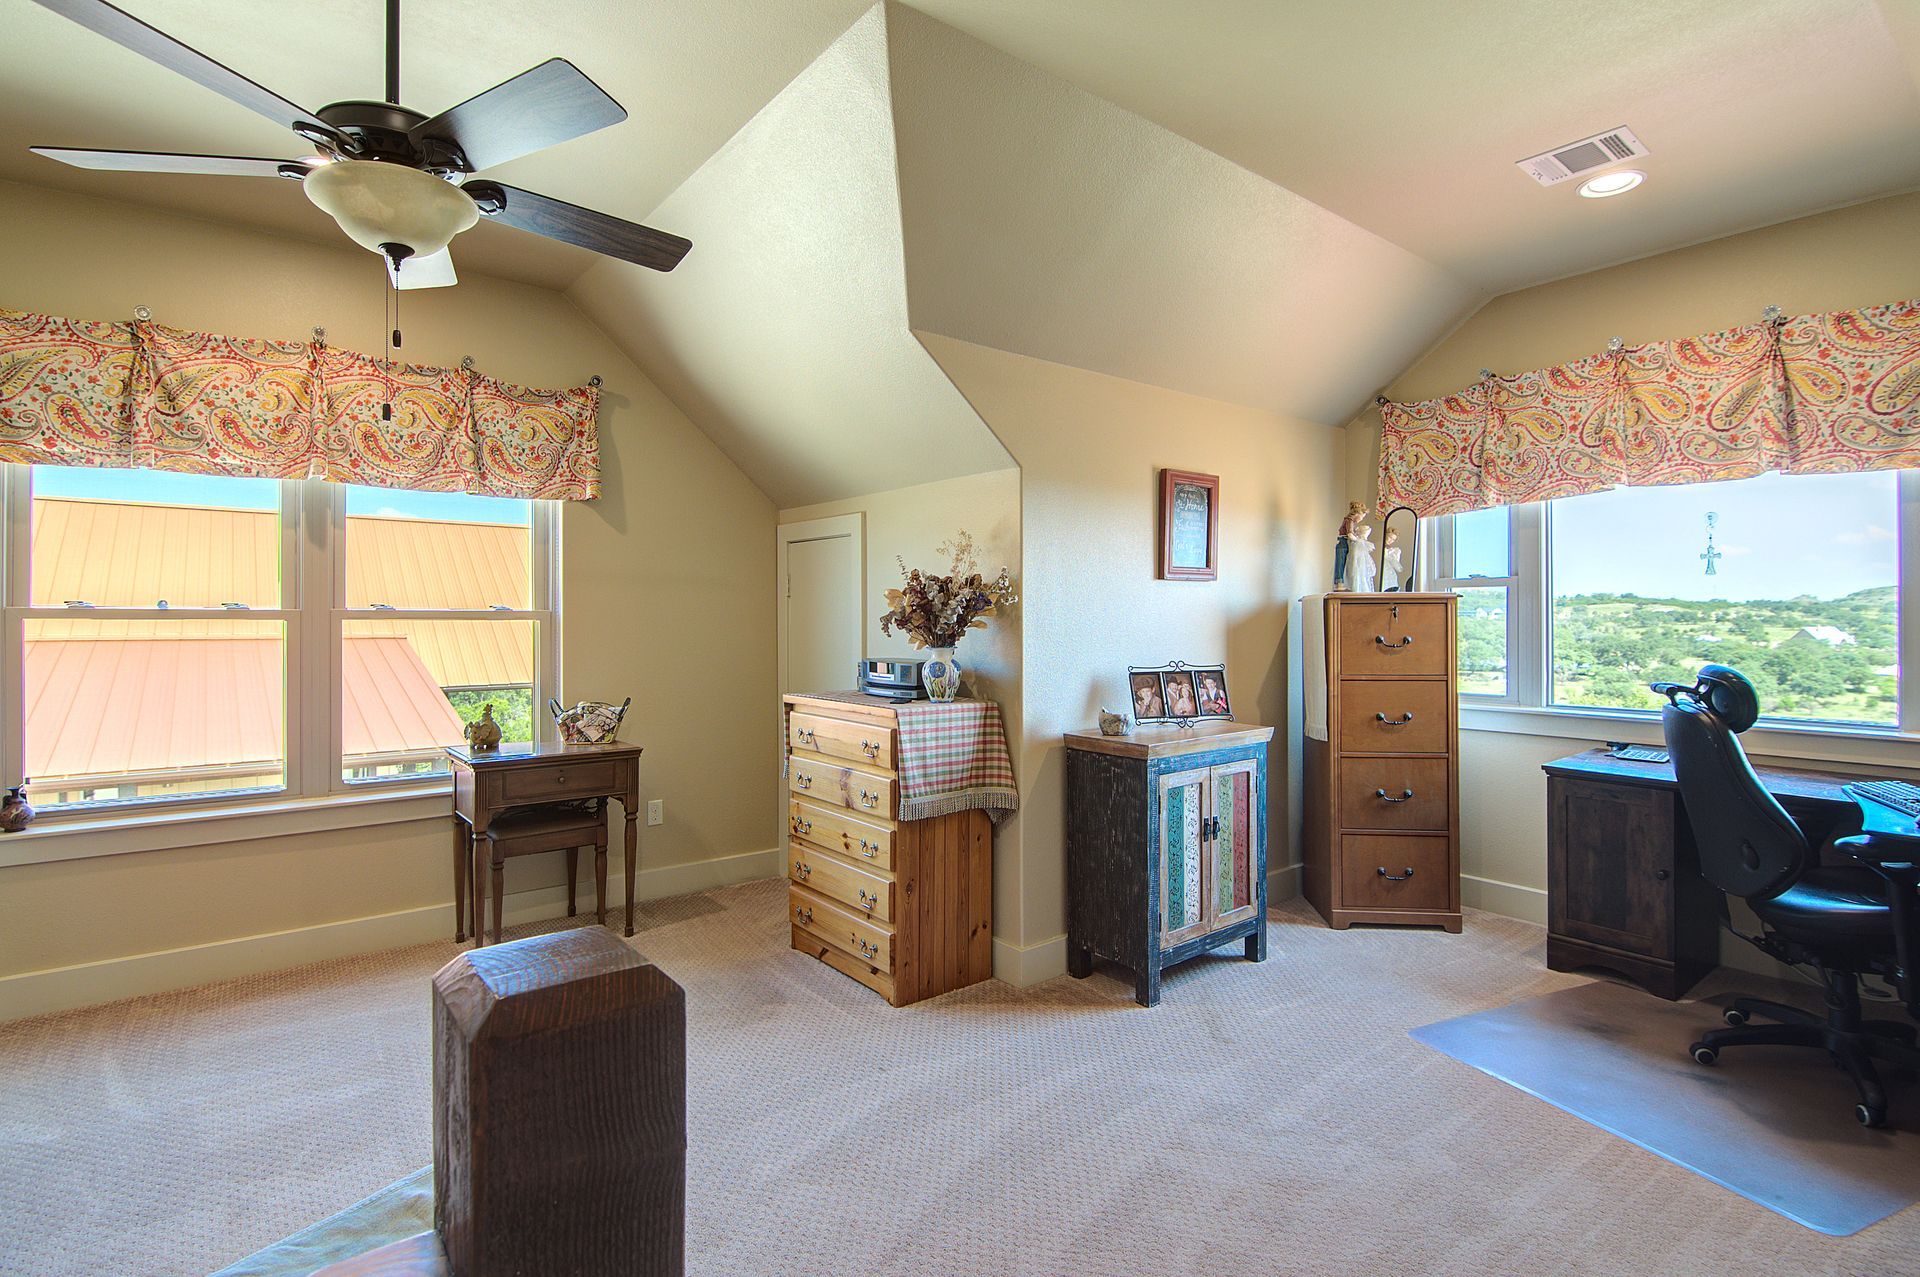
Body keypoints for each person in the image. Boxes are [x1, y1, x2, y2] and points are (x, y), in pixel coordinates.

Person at [1334, 501, 1367, 590]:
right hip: (1343, 542)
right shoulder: (1349, 520)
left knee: (1345, 562)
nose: (1361, 519)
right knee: (1341, 563)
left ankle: (1342, 582)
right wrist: (1358, 540)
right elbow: (1350, 534)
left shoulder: (1350, 521)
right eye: (1362, 517)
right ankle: (1339, 583)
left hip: (1345, 542)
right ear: (1357, 514)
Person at [1347, 521, 1378, 592]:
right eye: (1366, 534)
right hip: (1358, 565)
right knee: (1357, 580)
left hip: (1362, 566)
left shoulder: (1362, 543)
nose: (1366, 536)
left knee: (1363, 580)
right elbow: (1354, 556)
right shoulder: (1358, 543)